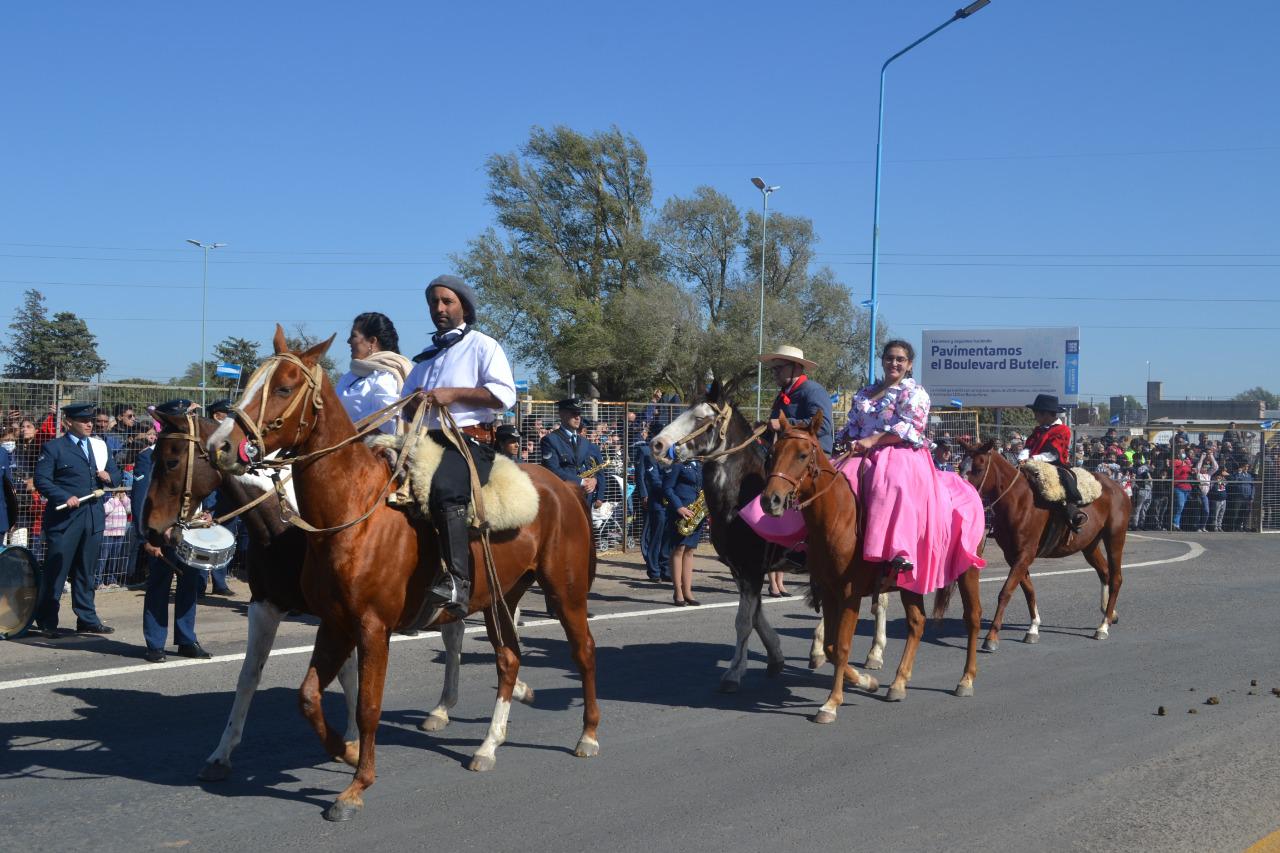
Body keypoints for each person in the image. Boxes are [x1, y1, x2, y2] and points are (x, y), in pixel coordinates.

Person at [399, 274, 517, 617]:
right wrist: (412, 402)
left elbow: (503, 396)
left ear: (463, 307)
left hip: (468, 441)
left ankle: (457, 581)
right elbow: (405, 403)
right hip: (424, 441)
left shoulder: (483, 345)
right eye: (434, 302)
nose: (439, 308)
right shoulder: (424, 359)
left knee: (446, 489)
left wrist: (452, 395)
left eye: (446, 301)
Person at [32, 402, 123, 637]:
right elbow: (42, 480)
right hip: (65, 519)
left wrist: (108, 476)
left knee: (86, 570)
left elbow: (116, 474)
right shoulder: (54, 448)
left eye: (91, 420)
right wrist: (64, 496)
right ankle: (47, 621)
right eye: (84, 420)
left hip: (93, 516)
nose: (89, 424)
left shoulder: (99, 447)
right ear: (68, 422)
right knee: (57, 570)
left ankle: (87, 619)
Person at [135, 400, 213, 662]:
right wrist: (148, 537)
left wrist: (209, 510)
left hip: (192, 531)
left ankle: (186, 639)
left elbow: (208, 485)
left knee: (189, 586)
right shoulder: (152, 456)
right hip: (163, 533)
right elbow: (142, 498)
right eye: (189, 416)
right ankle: (155, 643)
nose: (194, 419)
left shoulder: (198, 454)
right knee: (159, 587)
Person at [1019, 394, 1088, 532]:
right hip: (1031, 462)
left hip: (1054, 464)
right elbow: (1028, 446)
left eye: (1036, 413)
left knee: (1063, 478)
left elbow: (1053, 454)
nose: (1035, 417)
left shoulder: (1063, 430)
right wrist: (1022, 457)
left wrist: (1033, 460)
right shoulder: (1038, 429)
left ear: (1046, 414)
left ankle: (1071, 508)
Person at [336, 312, 413, 435]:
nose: (348, 341)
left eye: (353, 336)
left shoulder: (387, 377)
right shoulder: (350, 376)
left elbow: (386, 423)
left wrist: (342, 433)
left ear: (372, 341)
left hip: (364, 451)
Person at [540, 398, 602, 504]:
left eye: (579, 413)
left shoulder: (584, 442)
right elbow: (552, 469)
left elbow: (589, 467)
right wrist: (581, 481)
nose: (578, 417)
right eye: (574, 413)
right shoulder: (550, 440)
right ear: (562, 414)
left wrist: (593, 480)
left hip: (584, 497)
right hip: (563, 496)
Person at [662, 456, 704, 606]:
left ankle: (688, 591)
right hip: (680, 512)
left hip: (696, 513)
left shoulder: (700, 464)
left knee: (690, 551)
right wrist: (678, 506)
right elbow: (667, 487)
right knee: (678, 549)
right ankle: (678, 591)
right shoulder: (678, 464)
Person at [635, 420, 671, 582]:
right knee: (651, 532)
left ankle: (664, 567)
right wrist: (644, 494)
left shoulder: (669, 452)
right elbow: (640, 475)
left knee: (665, 534)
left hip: (667, 498)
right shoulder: (645, 450)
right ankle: (653, 567)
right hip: (652, 495)